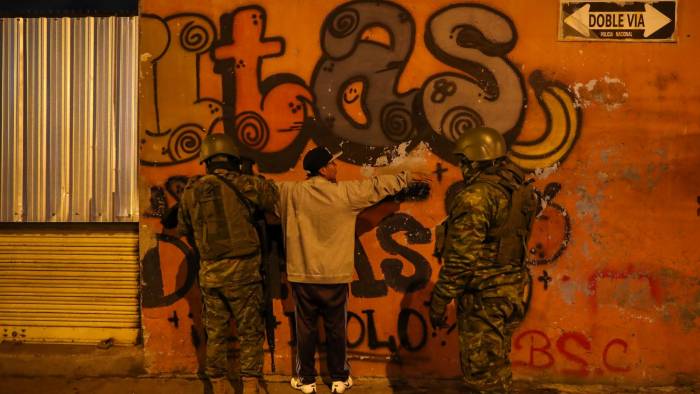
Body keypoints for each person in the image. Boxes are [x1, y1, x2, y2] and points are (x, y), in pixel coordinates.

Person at [276, 146, 430, 394]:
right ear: (324, 169)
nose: (336, 166)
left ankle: (306, 380)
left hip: (302, 276)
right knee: (336, 327)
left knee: (305, 328)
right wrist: (405, 177)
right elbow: (377, 187)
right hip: (335, 277)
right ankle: (339, 379)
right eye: (333, 164)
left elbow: (262, 191)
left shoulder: (291, 193)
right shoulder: (345, 193)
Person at [429, 127, 539, 393]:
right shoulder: (517, 191)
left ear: (475, 162)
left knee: (481, 378)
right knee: (497, 367)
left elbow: (461, 259)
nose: (462, 167)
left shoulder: (476, 197)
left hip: (484, 297)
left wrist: (440, 299)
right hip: (510, 291)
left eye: (464, 162)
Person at [177, 133, 279, 394]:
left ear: (206, 160)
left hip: (210, 273)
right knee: (249, 333)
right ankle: (250, 385)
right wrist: (250, 173)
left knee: (216, 333)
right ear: (232, 158)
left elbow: (184, 227)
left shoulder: (191, 189)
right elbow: (272, 197)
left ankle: (218, 385)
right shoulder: (246, 183)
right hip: (244, 275)